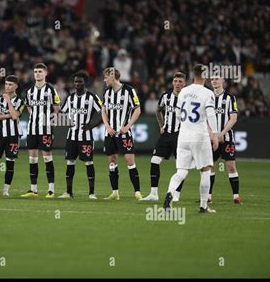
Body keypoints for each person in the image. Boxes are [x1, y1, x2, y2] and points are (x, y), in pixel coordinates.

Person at [163, 64, 219, 213]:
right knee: (206, 170)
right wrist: (215, 134)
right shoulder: (208, 93)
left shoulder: (183, 92)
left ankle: (170, 193)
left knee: (181, 171)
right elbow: (211, 115)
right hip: (200, 136)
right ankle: (203, 205)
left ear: (193, 75)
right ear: (205, 75)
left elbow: (177, 114)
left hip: (183, 136)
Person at [142, 72, 186, 201]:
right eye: (175, 81)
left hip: (180, 135)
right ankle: (153, 194)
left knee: (181, 166)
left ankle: (176, 194)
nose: (177, 83)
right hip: (166, 134)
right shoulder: (165, 96)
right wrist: (161, 125)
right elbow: (158, 110)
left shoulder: (187, 98)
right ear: (172, 82)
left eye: (180, 81)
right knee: (154, 161)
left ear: (184, 83)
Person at [58, 70, 102, 200]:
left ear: (85, 82)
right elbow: (62, 113)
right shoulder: (70, 98)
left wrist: (93, 125)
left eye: (80, 81)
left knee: (88, 162)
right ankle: (68, 192)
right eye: (75, 81)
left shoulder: (92, 98)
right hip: (71, 137)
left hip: (86, 137)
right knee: (70, 162)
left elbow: (103, 112)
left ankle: (92, 193)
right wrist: (66, 122)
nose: (77, 83)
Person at [20, 63, 61, 198]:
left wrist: (51, 121)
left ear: (45, 73)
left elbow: (56, 108)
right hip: (32, 128)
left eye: (40, 71)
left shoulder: (50, 90)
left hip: (46, 128)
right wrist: (33, 114)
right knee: (32, 158)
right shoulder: (30, 90)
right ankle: (33, 190)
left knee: (47, 158)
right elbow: (28, 105)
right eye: (35, 71)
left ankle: (51, 189)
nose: (37, 73)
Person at [101, 67, 142, 200]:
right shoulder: (107, 92)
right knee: (112, 161)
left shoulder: (129, 91)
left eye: (106, 77)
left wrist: (128, 126)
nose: (104, 80)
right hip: (110, 133)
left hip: (124, 133)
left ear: (112, 77)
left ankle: (137, 192)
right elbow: (103, 110)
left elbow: (137, 110)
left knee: (130, 161)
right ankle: (115, 192)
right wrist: (107, 126)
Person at [209, 76, 241, 204]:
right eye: (212, 79)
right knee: (210, 166)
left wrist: (222, 133)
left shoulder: (230, 98)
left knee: (230, 165)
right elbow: (204, 119)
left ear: (223, 81)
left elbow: (233, 118)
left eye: (217, 78)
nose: (214, 81)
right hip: (211, 138)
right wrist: (212, 134)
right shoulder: (207, 98)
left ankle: (236, 196)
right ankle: (208, 196)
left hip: (226, 137)